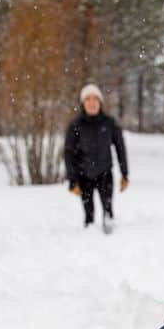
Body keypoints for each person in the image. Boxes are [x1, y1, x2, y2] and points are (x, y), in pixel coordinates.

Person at [64, 83, 129, 234]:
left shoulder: (109, 123)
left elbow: (120, 148)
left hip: (105, 174)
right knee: (89, 216)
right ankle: (90, 246)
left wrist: (125, 174)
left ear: (100, 102)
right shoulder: (75, 126)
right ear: (82, 103)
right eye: (88, 99)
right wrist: (72, 180)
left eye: (95, 99)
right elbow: (68, 153)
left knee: (108, 211)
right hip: (83, 176)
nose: (92, 102)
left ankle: (112, 241)